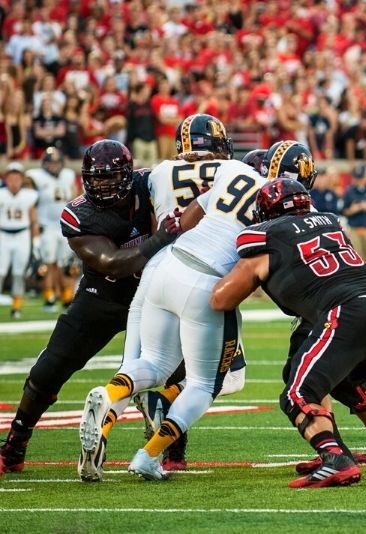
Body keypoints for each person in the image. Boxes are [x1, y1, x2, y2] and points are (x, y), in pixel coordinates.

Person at [76, 132, 279, 482]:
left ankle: (109, 395)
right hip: (206, 281)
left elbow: (188, 218)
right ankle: (149, 455)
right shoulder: (275, 201)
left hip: (165, 261)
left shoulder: (228, 173)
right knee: (204, 384)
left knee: (151, 363)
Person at [210, 178, 366, 488]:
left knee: (297, 393)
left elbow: (221, 299)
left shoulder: (266, 237)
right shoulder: (330, 223)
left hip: (347, 311)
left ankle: (334, 458)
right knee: (353, 374)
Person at [0, 140, 180, 479]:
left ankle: (173, 446)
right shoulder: (80, 213)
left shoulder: (153, 182)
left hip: (157, 294)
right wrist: (160, 238)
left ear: (128, 175)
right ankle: (14, 447)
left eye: (111, 178)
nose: (104, 185)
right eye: (97, 179)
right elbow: (112, 263)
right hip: (105, 296)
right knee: (48, 369)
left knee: (187, 367)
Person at [25, 147, 77, 311]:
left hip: (65, 227)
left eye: (56, 162)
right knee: (48, 263)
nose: (54, 165)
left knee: (67, 263)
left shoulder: (68, 176)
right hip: (46, 226)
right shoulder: (35, 177)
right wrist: (34, 225)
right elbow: (30, 202)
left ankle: (67, 296)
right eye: (50, 162)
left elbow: (75, 198)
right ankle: (49, 296)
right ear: (44, 164)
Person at [0, 163, 40, 318]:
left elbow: (34, 220)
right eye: (11, 178)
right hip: (3, 234)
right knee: (0, 271)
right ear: (6, 178)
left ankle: (16, 307)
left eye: (17, 178)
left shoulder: (29, 195)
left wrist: (36, 244)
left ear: (22, 179)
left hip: (22, 234)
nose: (14, 181)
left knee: (18, 273)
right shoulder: (2, 194)